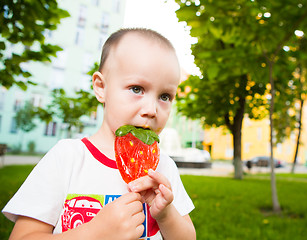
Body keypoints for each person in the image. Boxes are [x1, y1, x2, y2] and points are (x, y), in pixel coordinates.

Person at [2, 28, 196, 240]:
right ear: (101, 87)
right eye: (137, 89)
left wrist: (166, 215)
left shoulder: (163, 167)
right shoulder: (67, 158)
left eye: (165, 96)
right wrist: (94, 233)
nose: (151, 109)